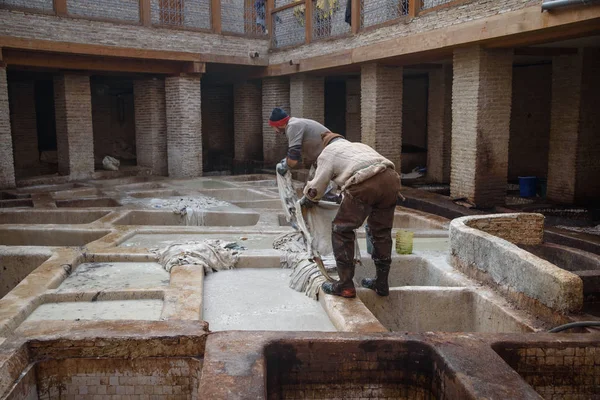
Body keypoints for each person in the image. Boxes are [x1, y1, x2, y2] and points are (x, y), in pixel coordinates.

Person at [300, 132, 401, 298]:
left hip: (364, 182)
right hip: (391, 179)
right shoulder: (359, 146)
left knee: (341, 230)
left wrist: (308, 199)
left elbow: (316, 187)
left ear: (326, 144)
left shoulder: (329, 151)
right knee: (380, 232)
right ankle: (381, 283)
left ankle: (345, 285)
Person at [269, 107, 330, 176]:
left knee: (321, 185)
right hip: (324, 156)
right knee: (312, 183)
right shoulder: (294, 123)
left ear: (279, 125)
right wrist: (286, 160)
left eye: (272, 127)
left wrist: (284, 166)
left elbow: (293, 160)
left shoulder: (293, 126)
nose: (274, 130)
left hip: (331, 154)